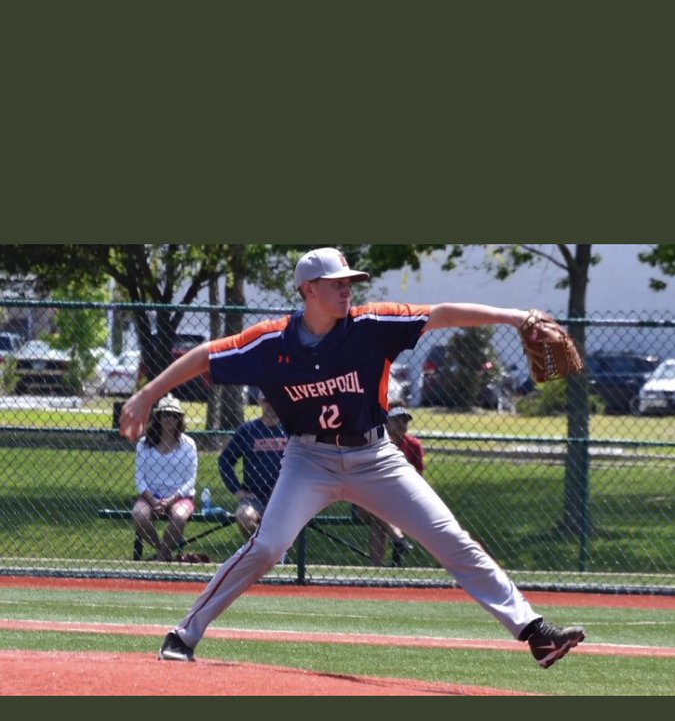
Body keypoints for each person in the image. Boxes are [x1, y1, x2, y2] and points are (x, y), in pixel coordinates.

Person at [119, 247, 586, 668]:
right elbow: (204, 356)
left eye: (349, 282)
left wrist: (514, 316)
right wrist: (146, 395)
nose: (347, 288)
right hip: (308, 461)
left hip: (376, 457)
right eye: (337, 282)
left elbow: (442, 313)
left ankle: (534, 632)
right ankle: (185, 633)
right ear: (308, 290)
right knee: (265, 547)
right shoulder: (271, 343)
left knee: (450, 537)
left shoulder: (372, 325)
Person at [354, 404, 426, 566]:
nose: (402, 424)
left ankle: (377, 568)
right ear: (386, 422)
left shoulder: (413, 445)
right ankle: (398, 539)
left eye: (405, 421)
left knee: (379, 519)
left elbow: (419, 480)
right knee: (377, 507)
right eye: (397, 420)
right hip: (368, 499)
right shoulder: (374, 442)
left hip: (401, 500)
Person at [131, 394, 198, 562]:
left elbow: (190, 480)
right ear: (158, 417)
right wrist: (153, 501)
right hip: (150, 496)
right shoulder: (144, 444)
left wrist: (170, 500)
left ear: (179, 420)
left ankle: (161, 556)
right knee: (139, 515)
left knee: (179, 517)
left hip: (180, 496)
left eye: (174, 416)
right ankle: (162, 550)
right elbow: (139, 478)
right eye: (166, 414)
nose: (170, 419)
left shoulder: (188, 445)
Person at [219, 390, 288, 540]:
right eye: (266, 400)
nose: (270, 405)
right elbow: (225, 460)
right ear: (259, 401)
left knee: (281, 522)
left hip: (284, 496)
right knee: (244, 517)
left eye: (274, 400)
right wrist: (236, 490)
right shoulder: (248, 430)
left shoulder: (291, 430)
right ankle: (265, 551)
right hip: (253, 496)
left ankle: (268, 553)